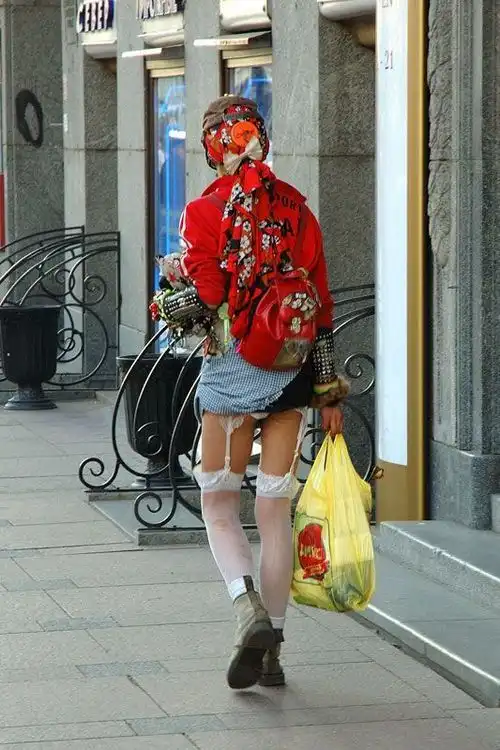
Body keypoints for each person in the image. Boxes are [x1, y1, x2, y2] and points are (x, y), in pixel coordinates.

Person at [169, 96, 348, 690]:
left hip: (230, 377)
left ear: (212, 148)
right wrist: (328, 392)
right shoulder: (297, 208)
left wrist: (172, 292)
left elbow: (209, 297)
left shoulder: (204, 211)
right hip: (292, 374)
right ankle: (274, 653)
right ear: (260, 140)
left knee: (219, 506)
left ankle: (246, 609)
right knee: (275, 514)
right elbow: (322, 306)